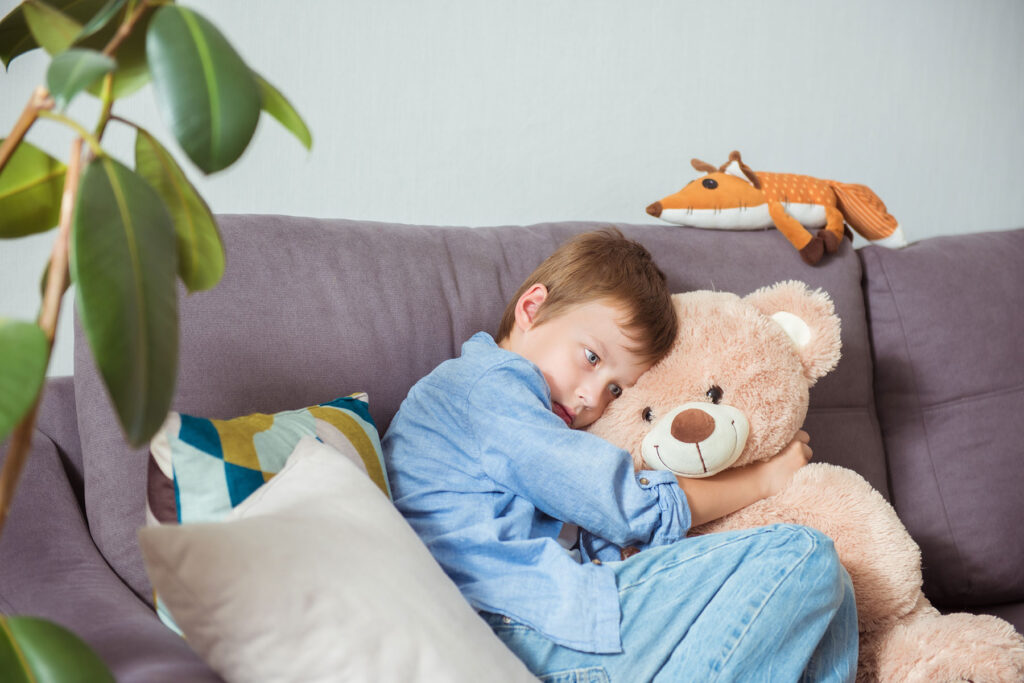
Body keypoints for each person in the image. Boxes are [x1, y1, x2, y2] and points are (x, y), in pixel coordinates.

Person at [382, 228, 858, 682]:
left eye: (615, 387)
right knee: (804, 554)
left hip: (560, 617)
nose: (593, 397)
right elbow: (621, 505)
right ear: (532, 308)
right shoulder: (487, 388)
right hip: (517, 628)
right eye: (590, 357)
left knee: (835, 591)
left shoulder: (528, 414)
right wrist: (763, 480)